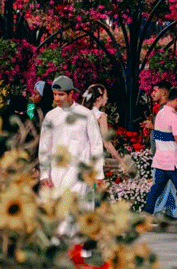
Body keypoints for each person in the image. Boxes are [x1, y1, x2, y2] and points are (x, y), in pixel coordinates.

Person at [38, 75, 105, 208]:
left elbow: (96, 145)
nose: (57, 98)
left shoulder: (86, 114)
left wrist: (98, 173)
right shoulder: (50, 116)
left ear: (71, 94)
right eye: (55, 94)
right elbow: (44, 147)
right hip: (57, 175)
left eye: (61, 94)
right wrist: (44, 174)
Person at [142, 86, 177, 221]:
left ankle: (146, 213)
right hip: (174, 161)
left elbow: (161, 135)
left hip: (160, 159)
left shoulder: (160, 114)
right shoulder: (174, 117)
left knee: (156, 189)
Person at [80, 84, 128, 173]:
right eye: (105, 95)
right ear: (99, 98)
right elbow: (107, 143)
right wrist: (121, 161)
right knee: (94, 185)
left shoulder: (81, 113)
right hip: (94, 157)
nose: (107, 98)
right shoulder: (100, 116)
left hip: (80, 156)